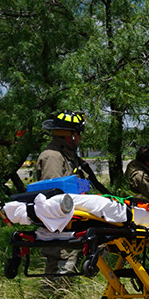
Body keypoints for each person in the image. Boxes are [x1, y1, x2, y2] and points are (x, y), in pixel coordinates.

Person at [36, 110, 88, 281]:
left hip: (69, 223)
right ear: (71, 136)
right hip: (61, 226)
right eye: (78, 134)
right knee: (63, 263)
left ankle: (52, 298)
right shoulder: (53, 157)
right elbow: (53, 196)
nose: (80, 139)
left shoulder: (66, 155)